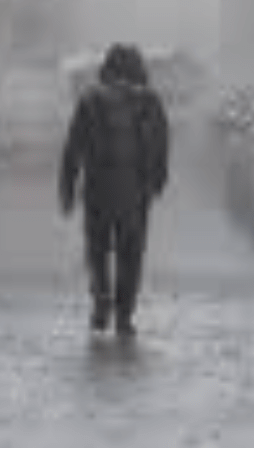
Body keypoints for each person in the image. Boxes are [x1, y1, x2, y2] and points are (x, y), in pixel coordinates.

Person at [59, 43, 169, 337]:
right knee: (131, 254)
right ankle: (123, 315)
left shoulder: (90, 100)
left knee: (97, 251)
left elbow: (72, 149)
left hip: (98, 189)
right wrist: (158, 180)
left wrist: (67, 190)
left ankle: (101, 300)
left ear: (106, 68)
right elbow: (161, 143)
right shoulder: (150, 102)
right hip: (135, 191)